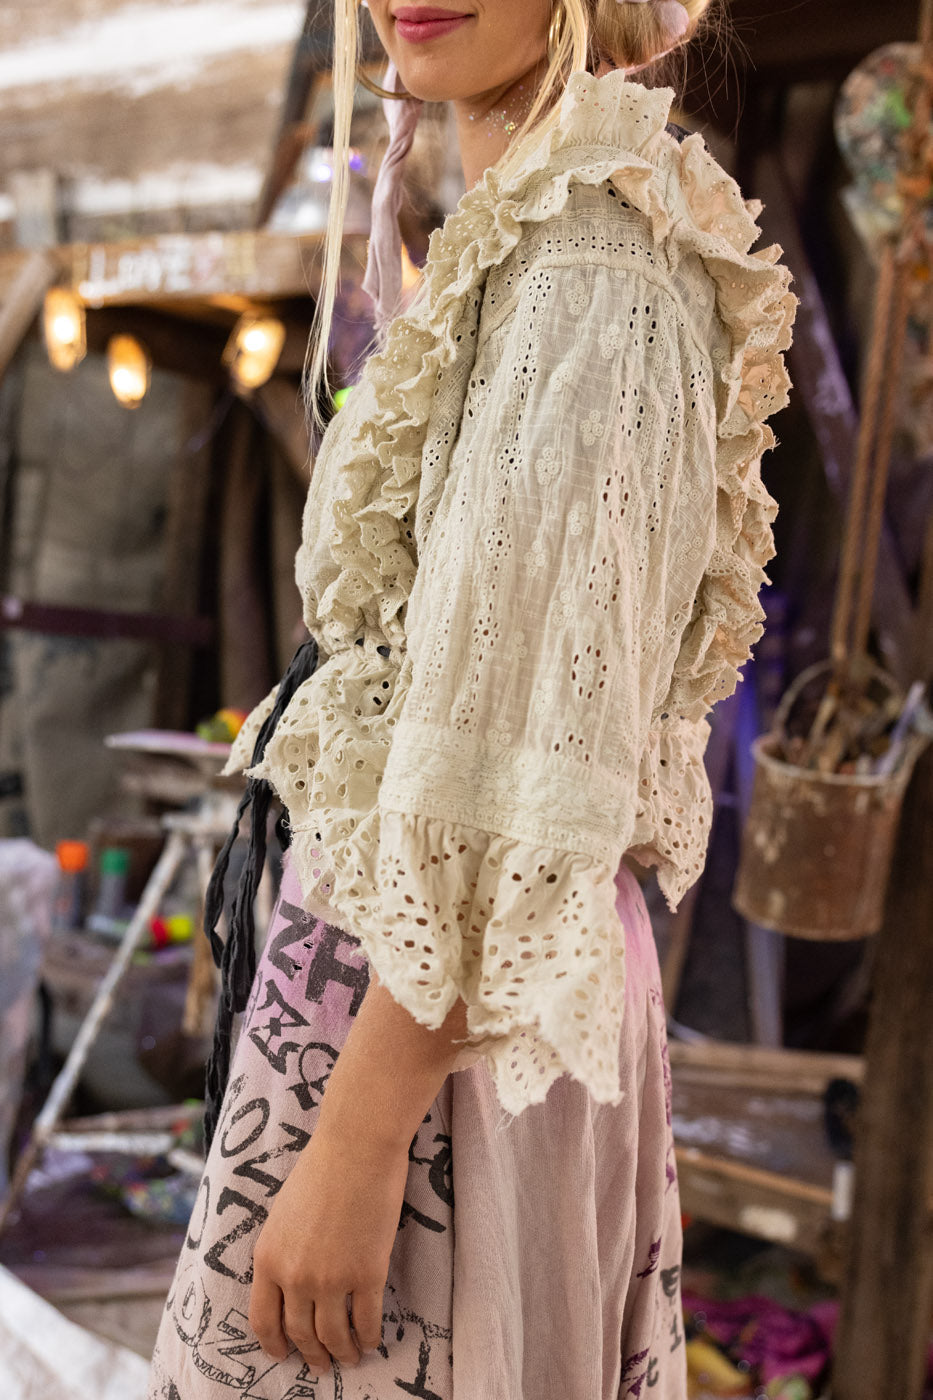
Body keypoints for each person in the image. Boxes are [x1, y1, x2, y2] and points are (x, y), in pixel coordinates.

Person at [149, 1, 798, 1396]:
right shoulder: (523, 231)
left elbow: (529, 759)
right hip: (400, 990)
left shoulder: (594, 270)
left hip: (439, 1037)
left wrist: (361, 1135)